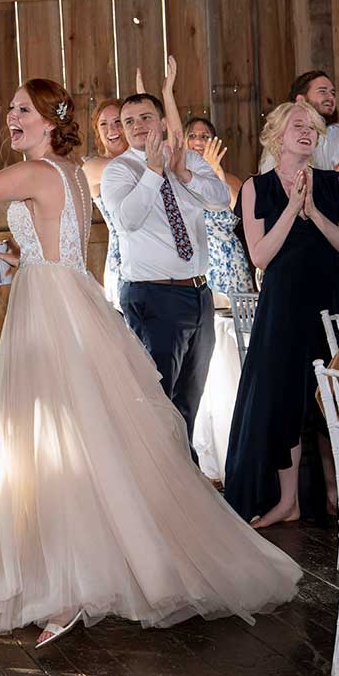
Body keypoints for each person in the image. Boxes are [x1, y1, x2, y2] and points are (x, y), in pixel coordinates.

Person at [0, 78, 300, 648]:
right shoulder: (74, 173)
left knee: (58, 443)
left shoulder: (39, 171)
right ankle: (82, 572)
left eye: (22, 109)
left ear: (50, 120)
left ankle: (71, 586)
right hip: (65, 299)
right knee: (74, 441)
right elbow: (59, 248)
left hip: (53, 312)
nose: (11, 115)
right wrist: (19, 257)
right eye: (9, 107)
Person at [225, 101, 339, 527]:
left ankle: (336, 492)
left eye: (313, 126)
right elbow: (260, 256)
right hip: (284, 309)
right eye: (298, 124)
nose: (307, 131)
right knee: (286, 402)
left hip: (333, 303)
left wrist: (315, 212)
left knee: (333, 398)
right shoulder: (256, 189)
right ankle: (288, 501)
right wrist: (294, 209)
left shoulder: (335, 184)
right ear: (276, 137)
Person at [100, 92, 231, 452]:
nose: (137, 127)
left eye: (145, 118)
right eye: (129, 122)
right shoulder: (119, 171)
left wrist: (182, 172)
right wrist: (154, 173)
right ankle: (159, 484)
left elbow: (220, 198)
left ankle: (184, 480)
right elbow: (127, 220)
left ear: (161, 121)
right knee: (158, 399)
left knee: (191, 397)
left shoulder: (187, 159)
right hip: (154, 296)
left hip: (198, 295)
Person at [183, 117, 252, 301]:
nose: (198, 141)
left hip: (227, 262)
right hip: (194, 265)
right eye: (192, 135)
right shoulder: (177, 180)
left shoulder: (229, 178)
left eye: (205, 136)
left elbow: (243, 212)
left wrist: (217, 174)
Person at [82, 100, 126, 306]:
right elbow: (129, 169)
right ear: (97, 131)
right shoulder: (93, 167)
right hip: (122, 259)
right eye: (104, 124)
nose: (112, 129)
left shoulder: (145, 160)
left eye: (118, 121)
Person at [260, 71, 339, 173]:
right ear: (301, 100)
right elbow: (276, 184)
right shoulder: (283, 137)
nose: (331, 97)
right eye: (322, 91)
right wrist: (335, 180)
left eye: (333, 93)